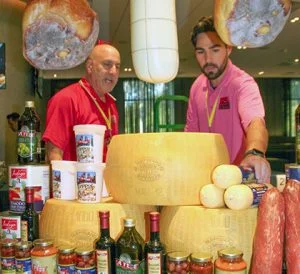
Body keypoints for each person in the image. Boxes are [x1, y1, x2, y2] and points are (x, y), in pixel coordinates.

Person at [185, 16, 271, 184]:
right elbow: (190, 136)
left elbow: (255, 122)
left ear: (228, 48)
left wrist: (255, 153)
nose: (208, 59)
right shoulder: (196, 87)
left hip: (240, 181)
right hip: (208, 182)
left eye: (215, 49)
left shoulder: (243, 84)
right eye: (200, 51)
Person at [42, 43, 121, 162]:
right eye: (107, 64)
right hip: (75, 180)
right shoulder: (66, 99)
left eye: (117, 66)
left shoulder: (111, 104)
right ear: (90, 66)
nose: (114, 71)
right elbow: (54, 153)